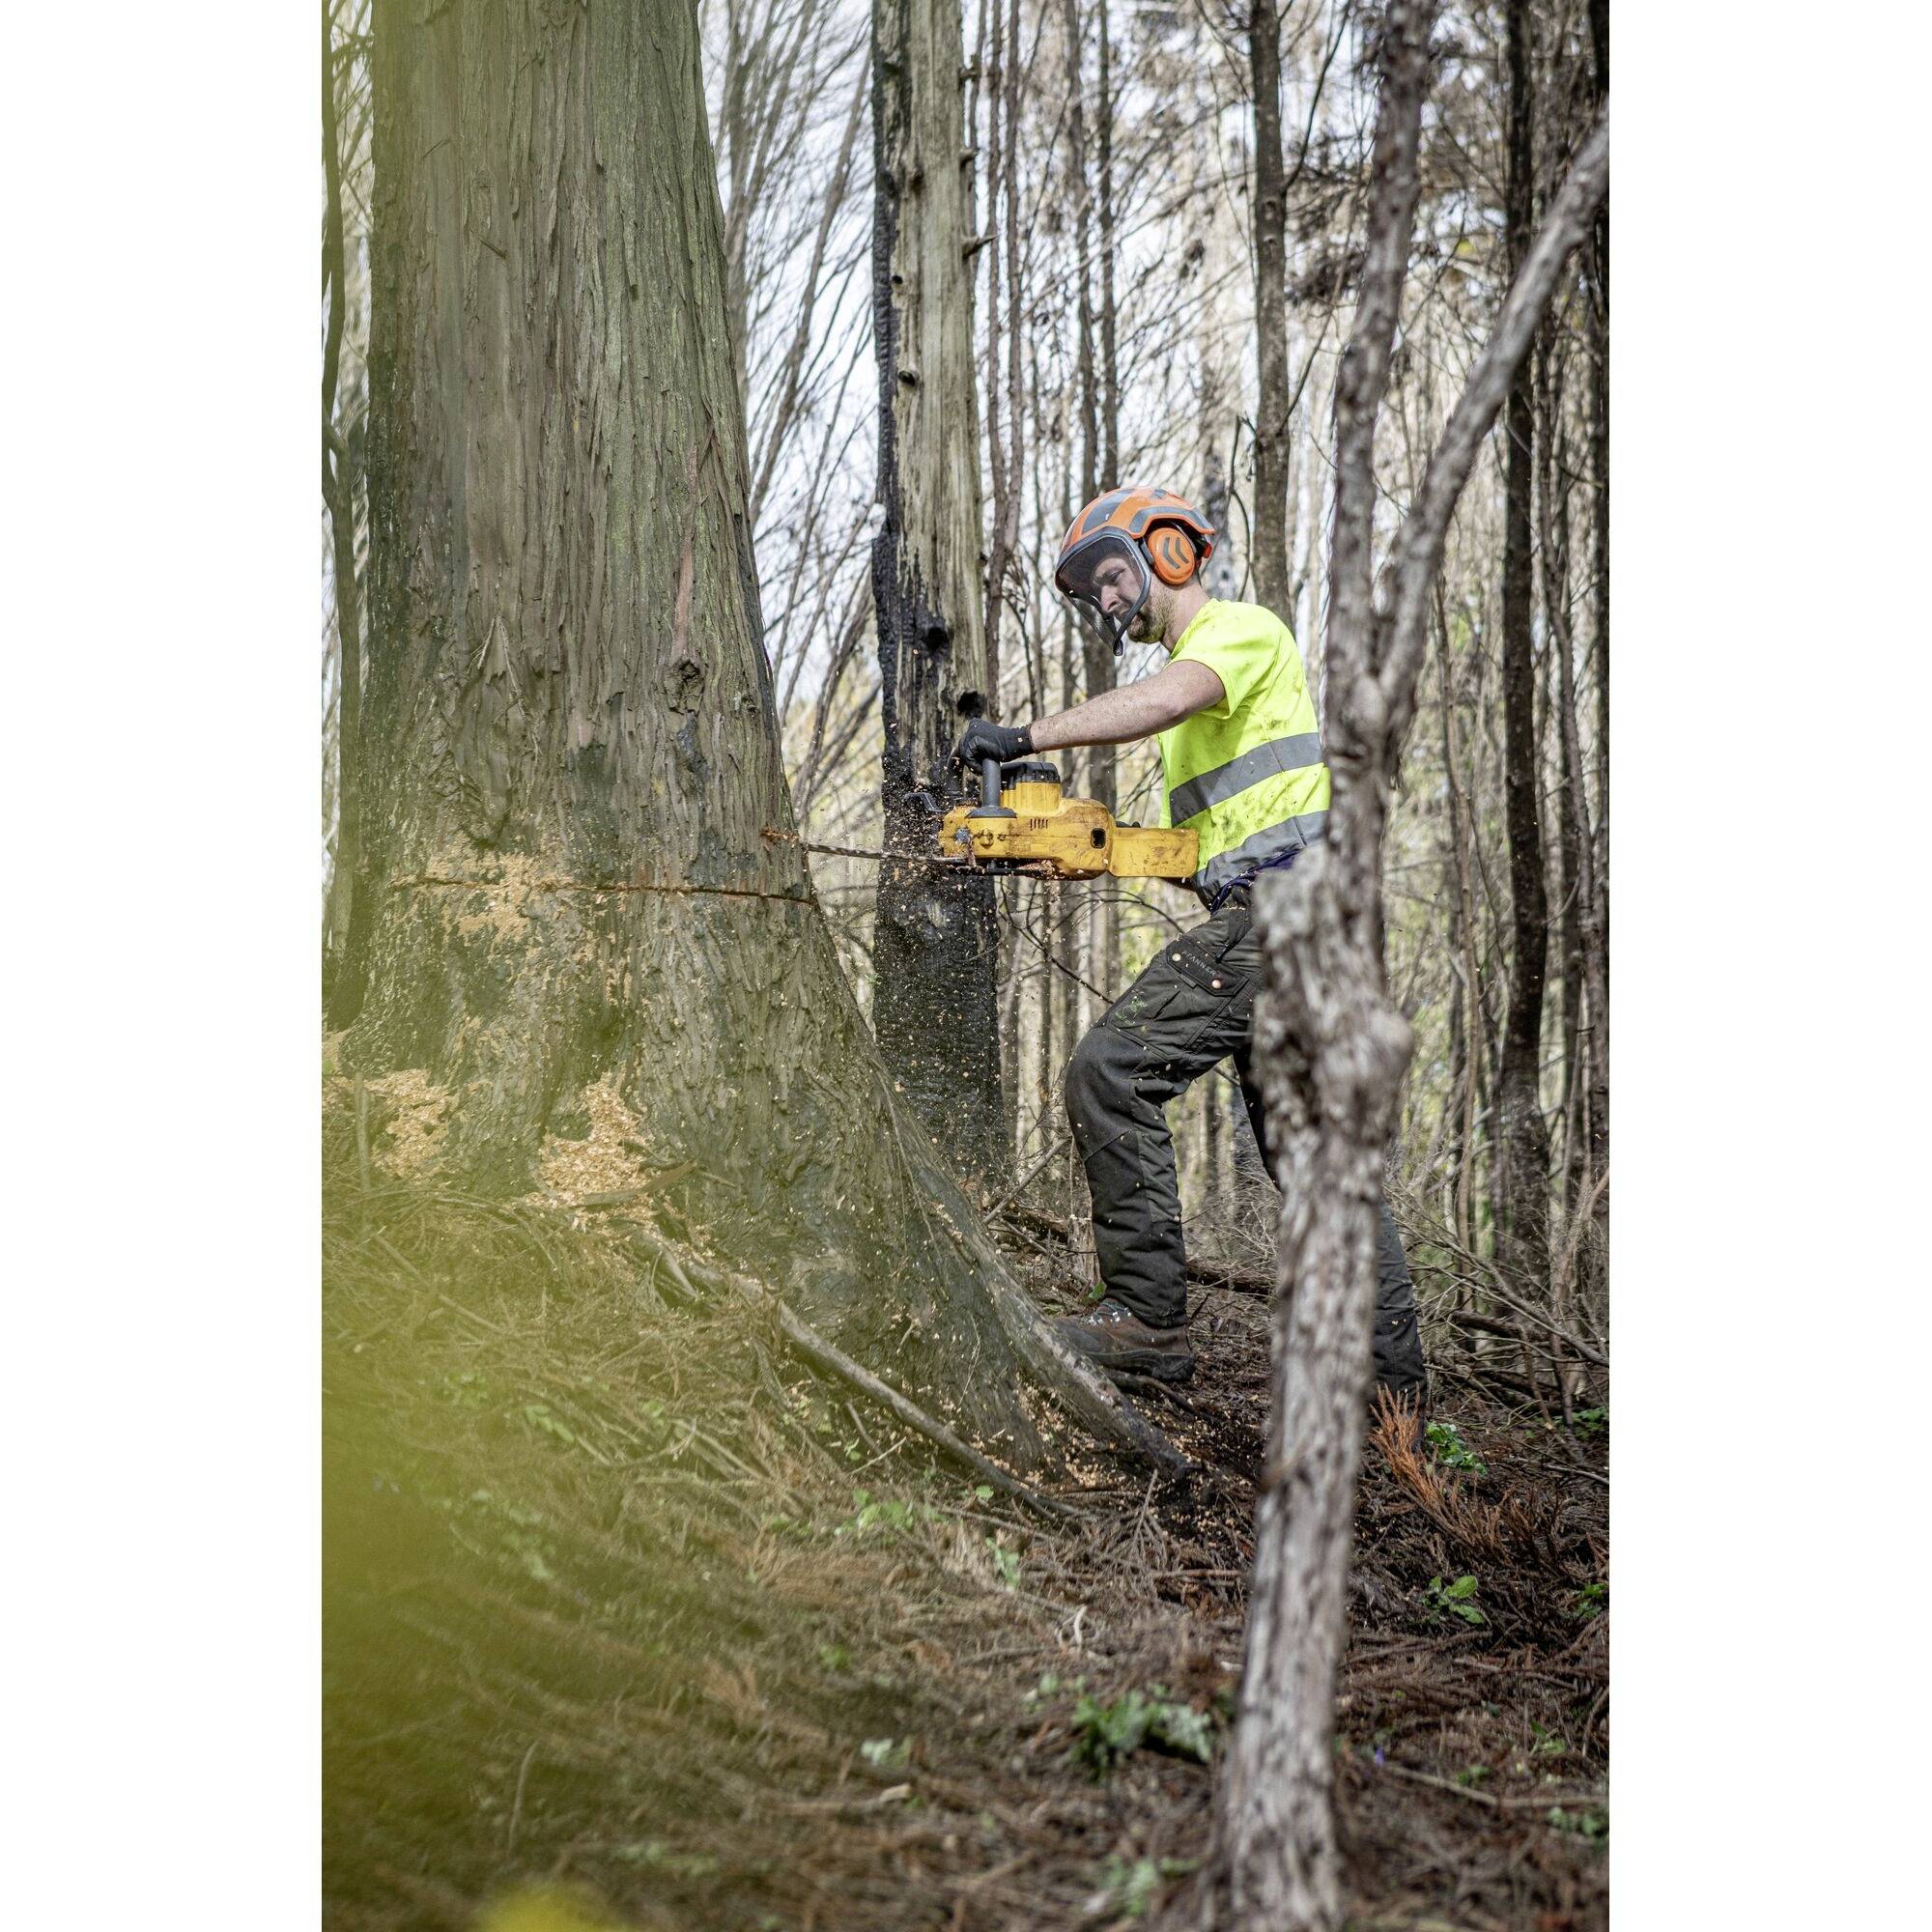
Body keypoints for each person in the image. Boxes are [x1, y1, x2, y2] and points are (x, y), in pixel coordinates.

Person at [953, 486, 1428, 1406]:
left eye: (1113, 573)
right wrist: (1088, 852)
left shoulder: (1243, 633)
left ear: (1171, 551)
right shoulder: (1200, 733)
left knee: (1110, 1070)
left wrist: (1025, 738)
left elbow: (1164, 700)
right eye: (1092, 590)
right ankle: (1399, 1403)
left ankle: (1148, 1318)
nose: (1106, 599)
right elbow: (1209, 857)